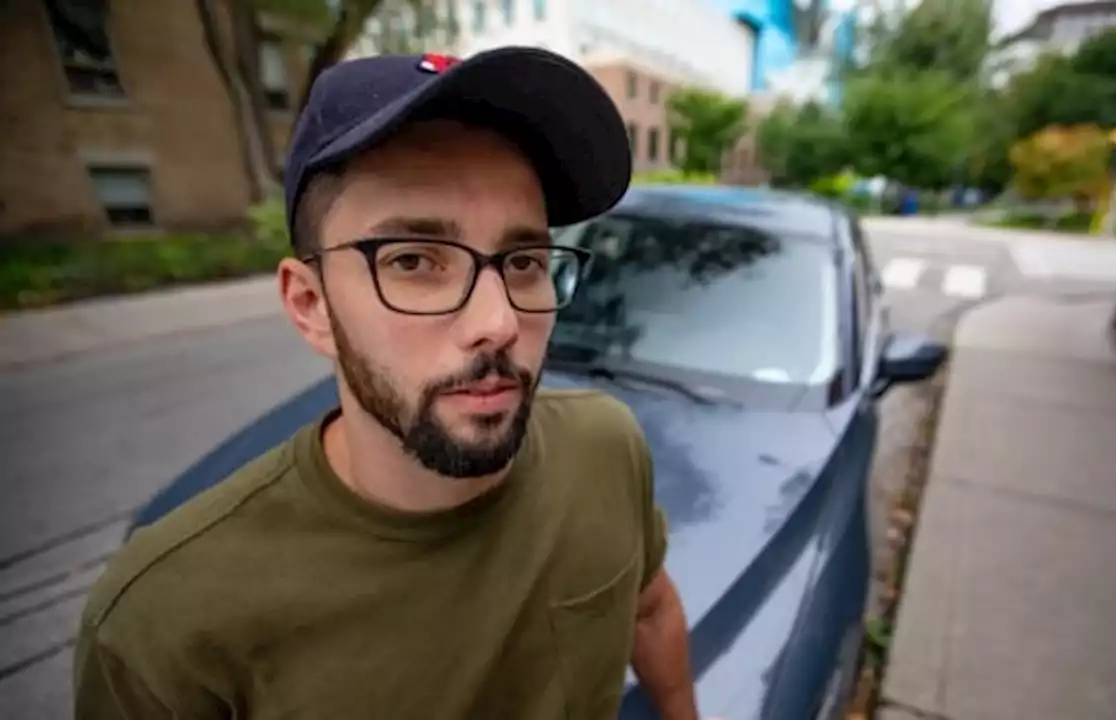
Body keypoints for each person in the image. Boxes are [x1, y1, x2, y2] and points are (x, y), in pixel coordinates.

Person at [73, 47, 697, 720]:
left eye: (525, 260)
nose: (500, 322)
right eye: (412, 259)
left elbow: (650, 608)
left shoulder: (606, 448)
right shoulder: (162, 622)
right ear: (312, 306)